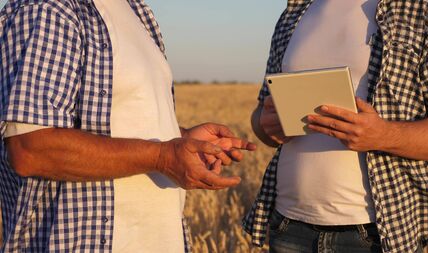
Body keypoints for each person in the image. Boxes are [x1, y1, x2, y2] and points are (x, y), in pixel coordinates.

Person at [0, 0, 256, 252]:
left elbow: (115, 124)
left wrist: (183, 138)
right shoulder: (50, 8)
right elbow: (31, 149)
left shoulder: (137, 11)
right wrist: (163, 156)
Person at [243, 0, 428, 253]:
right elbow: (261, 118)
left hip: (376, 234)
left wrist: (384, 136)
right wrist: (267, 126)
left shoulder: (424, 9)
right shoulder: (295, 12)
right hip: (288, 226)